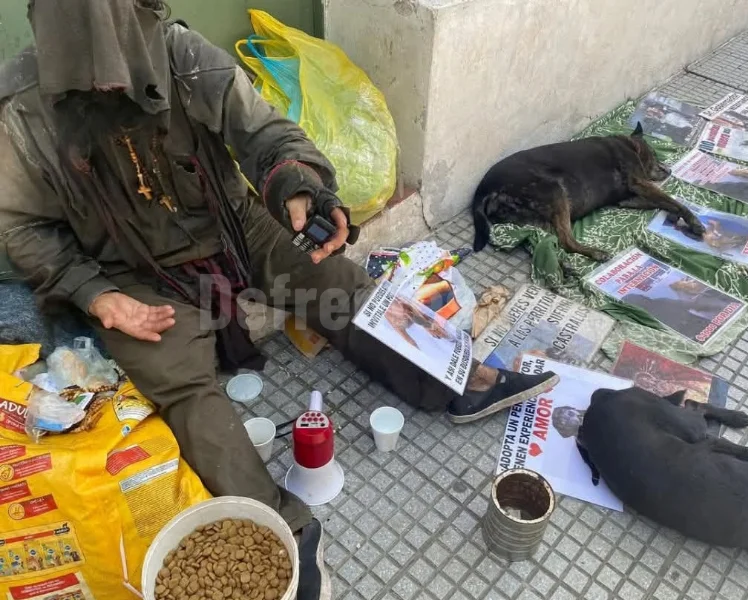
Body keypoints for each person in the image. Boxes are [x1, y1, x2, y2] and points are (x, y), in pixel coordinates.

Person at [0, 2, 558, 598]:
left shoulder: (179, 54)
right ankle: (279, 527)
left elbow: (264, 130)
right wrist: (99, 295)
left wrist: (298, 186)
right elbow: (21, 229)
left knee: (339, 288)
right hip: (132, 275)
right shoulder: (22, 113)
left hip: (235, 232)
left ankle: (454, 382)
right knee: (185, 386)